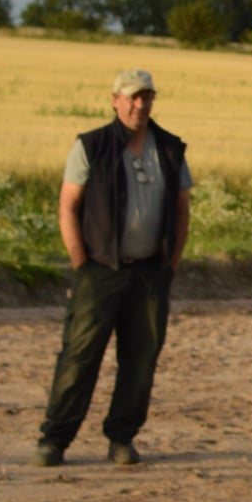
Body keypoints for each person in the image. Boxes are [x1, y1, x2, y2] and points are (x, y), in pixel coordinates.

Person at [35, 68, 191, 467]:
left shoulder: (170, 148)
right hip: (99, 270)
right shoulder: (92, 146)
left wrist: (168, 265)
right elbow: (68, 205)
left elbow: (181, 209)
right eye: (133, 97)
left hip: (150, 274)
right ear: (115, 100)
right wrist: (81, 263)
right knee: (80, 355)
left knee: (141, 359)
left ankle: (121, 438)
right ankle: (55, 439)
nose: (140, 105)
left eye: (147, 97)